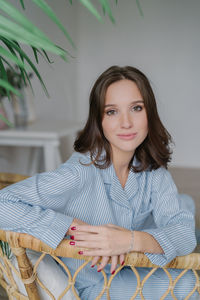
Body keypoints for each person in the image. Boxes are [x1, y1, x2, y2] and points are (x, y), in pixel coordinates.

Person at [0, 66, 197, 300]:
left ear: (150, 114)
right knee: (188, 283)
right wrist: (73, 228)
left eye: (136, 108)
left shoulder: (155, 173)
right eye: (112, 111)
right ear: (99, 120)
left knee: (186, 225)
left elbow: (185, 235)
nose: (126, 123)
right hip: (91, 286)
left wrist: (129, 240)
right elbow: (4, 202)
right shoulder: (79, 172)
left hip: (134, 272)